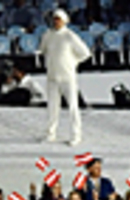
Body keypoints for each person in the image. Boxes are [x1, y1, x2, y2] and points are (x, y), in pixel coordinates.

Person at [37, 9, 91, 145]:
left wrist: (73, 62)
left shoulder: (70, 36)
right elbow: (43, 50)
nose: (56, 22)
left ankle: (75, 135)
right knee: (52, 107)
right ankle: (50, 133)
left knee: (73, 107)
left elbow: (85, 53)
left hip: (68, 77)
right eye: (55, 19)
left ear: (64, 21)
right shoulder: (47, 35)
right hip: (52, 76)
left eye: (59, 19)